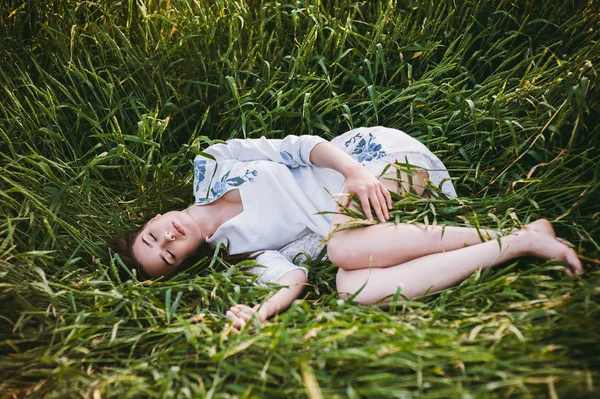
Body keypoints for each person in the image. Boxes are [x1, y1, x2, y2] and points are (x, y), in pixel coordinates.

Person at [106, 127, 583, 331]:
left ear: (150, 222)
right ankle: (517, 241)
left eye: (153, 237)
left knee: (342, 255)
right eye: (167, 256)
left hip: (373, 165)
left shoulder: (212, 165)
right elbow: (293, 279)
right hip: (362, 228)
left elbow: (299, 146)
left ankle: (521, 235)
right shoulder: (233, 251)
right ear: (183, 261)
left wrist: (355, 174)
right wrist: (261, 312)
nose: (168, 239)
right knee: (351, 286)